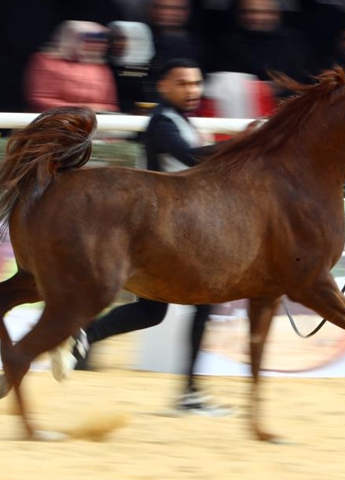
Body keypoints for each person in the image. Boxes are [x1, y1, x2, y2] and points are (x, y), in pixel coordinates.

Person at [54, 58, 233, 417]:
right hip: (169, 233)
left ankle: (85, 333)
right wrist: (242, 146)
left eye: (196, 83)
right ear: (163, 87)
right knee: (202, 302)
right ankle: (189, 394)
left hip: (170, 230)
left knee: (152, 311)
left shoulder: (180, 120)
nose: (192, 90)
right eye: (183, 83)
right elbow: (189, 157)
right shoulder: (162, 121)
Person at [24, 20, 118, 113]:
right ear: (71, 38)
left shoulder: (101, 68)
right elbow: (39, 100)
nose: (97, 44)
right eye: (90, 38)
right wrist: (83, 109)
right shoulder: (45, 61)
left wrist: (93, 110)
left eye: (100, 39)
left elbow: (110, 105)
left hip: (93, 122)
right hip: (53, 122)